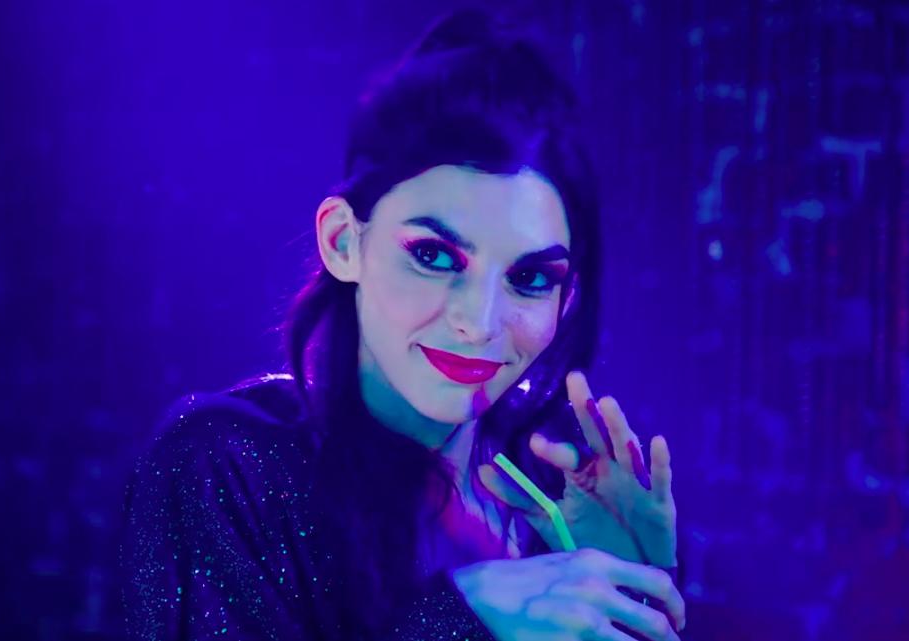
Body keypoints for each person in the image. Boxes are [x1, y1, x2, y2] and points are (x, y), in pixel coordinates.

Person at [121, 8, 685, 641]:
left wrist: (632, 589)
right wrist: (462, 614)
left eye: (529, 278)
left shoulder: (560, 483)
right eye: (434, 256)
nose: (479, 322)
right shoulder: (226, 465)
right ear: (343, 242)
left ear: (567, 297)